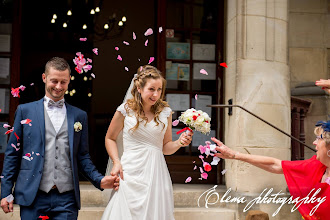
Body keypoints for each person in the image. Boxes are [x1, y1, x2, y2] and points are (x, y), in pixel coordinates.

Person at [0, 57, 120, 219]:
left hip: (66, 198)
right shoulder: (24, 111)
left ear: (69, 81)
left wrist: (99, 180)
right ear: (44, 78)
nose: (58, 86)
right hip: (33, 195)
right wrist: (6, 191)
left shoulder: (79, 116)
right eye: (54, 81)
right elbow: (12, 154)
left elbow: (82, 156)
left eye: (63, 82)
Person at [101, 65, 193, 220]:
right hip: (129, 171)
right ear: (139, 87)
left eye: (159, 89)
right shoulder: (125, 110)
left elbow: (165, 147)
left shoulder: (165, 113)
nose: (156, 94)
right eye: (151, 89)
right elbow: (110, 138)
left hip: (156, 172)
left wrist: (179, 143)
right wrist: (116, 162)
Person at [211, 120, 330, 220]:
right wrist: (234, 155)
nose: (314, 142)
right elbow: (276, 165)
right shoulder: (316, 165)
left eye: (318, 139)